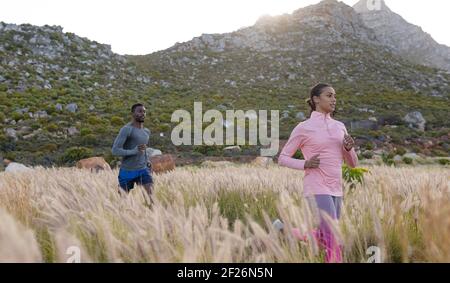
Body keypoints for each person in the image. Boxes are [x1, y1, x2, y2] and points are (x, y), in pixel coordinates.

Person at [276, 83, 358, 263]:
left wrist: (349, 148)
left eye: (335, 96)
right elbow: (282, 158)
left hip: (336, 189)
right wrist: (305, 163)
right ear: (315, 99)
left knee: (324, 236)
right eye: (329, 95)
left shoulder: (340, 126)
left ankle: (285, 231)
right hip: (316, 187)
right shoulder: (303, 127)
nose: (334, 99)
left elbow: (353, 165)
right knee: (333, 238)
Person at [111, 103, 153, 199]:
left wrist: (147, 161)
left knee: (151, 199)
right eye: (139, 111)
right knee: (122, 202)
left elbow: (143, 148)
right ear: (133, 114)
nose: (143, 113)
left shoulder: (147, 131)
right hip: (127, 171)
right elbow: (115, 150)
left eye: (144, 111)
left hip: (143, 169)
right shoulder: (126, 130)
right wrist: (133, 151)